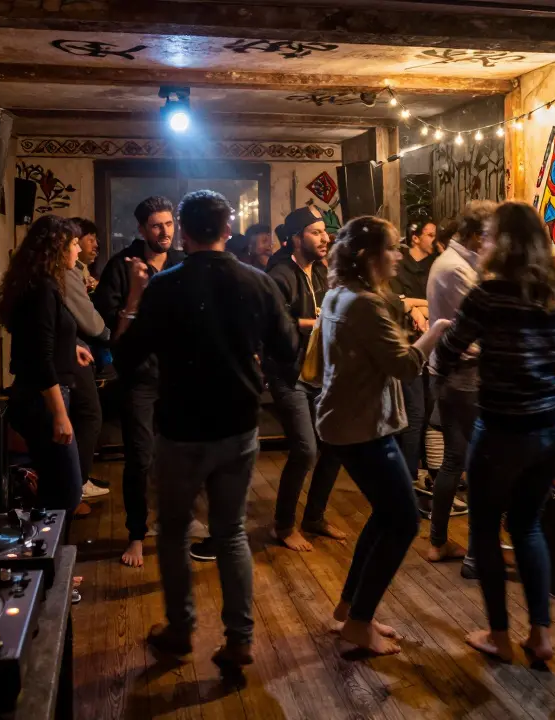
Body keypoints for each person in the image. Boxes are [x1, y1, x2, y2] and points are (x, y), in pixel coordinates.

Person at [117, 190, 299, 668]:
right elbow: (288, 349)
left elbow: (127, 356)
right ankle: (239, 638)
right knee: (231, 532)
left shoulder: (166, 285)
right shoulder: (258, 282)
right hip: (239, 424)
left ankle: (181, 630)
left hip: (181, 428)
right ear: (228, 228)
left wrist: (136, 299)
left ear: (184, 227)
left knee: (174, 532)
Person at [434, 201, 555, 664]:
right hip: (554, 427)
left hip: (503, 428)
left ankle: (499, 635)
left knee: (485, 526)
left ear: (500, 242)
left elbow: (448, 351)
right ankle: (540, 636)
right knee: (527, 525)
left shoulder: (487, 294)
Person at [315, 216, 451, 656]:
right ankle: (358, 622)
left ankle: (352, 607)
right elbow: (405, 366)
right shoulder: (365, 304)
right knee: (405, 520)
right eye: (390, 248)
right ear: (366, 256)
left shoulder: (338, 294)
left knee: (385, 514)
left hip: (346, 421)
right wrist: (436, 329)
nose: (396, 256)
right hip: (362, 428)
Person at [94, 196, 185, 568]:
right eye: (156, 226)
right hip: (139, 378)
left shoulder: (183, 264)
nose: (164, 232)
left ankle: (175, 524)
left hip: (179, 376)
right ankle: (136, 533)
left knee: (180, 455)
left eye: (168, 224)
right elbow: (108, 329)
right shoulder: (121, 267)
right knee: (140, 458)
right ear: (141, 229)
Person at [0, 215, 93, 520]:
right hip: (44, 401)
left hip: (38, 397)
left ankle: (47, 559)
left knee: (58, 487)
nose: (78, 251)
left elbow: (41, 337)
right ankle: (46, 559)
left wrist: (71, 347)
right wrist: (60, 415)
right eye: (75, 243)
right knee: (65, 492)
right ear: (57, 247)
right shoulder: (43, 290)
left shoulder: (40, 284)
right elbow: (39, 358)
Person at [264, 207, 345, 552]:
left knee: (335, 444)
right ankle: (282, 525)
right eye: (315, 232)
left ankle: (314, 516)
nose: (325, 237)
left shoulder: (319, 272)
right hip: (289, 375)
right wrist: (322, 321)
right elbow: (273, 324)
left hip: (318, 373)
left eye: (324, 232)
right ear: (296, 239)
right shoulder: (281, 274)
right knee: (305, 448)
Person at [424, 202, 497, 573]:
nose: (492, 243)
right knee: (477, 462)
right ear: (473, 234)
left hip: (454, 372)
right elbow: (479, 323)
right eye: (488, 236)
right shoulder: (455, 268)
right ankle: (474, 552)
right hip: (463, 373)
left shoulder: (456, 263)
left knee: (456, 459)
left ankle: (440, 542)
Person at [389, 220, 440, 492]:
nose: (433, 240)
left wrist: (416, 305)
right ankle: (406, 476)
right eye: (430, 235)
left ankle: (417, 470)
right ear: (415, 237)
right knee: (414, 413)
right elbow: (397, 302)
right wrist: (412, 306)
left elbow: (435, 305)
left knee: (426, 411)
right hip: (407, 346)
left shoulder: (436, 265)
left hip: (430, 346)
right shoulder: (399, 267)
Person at [66, 217, 111, 505]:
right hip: (71, 354)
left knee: (83, 416)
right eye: (80, 240)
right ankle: (77, 484)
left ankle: (78, 480)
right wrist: (109, 334)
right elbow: (89, 321)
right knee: (89, 415)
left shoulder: (74, 272)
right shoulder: (65, 274)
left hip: (74, 351)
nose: (94, 244)